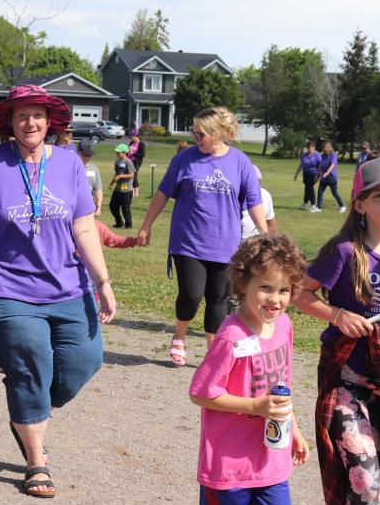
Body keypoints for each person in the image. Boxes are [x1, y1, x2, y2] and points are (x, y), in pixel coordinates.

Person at [0, 84, 117, 499]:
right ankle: (36, 461)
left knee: (83, 363)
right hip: (7, 287)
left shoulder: (69, 163)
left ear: (49, 121)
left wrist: (102, 282)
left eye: (36, 115)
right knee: (31, 365)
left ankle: (26, 409)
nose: (29, 122)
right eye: (21, 116)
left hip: (68, 285)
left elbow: (84, 227)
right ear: (9, 123)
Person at [293, 157, 380, 505]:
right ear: (359, 204)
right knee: (366, 484)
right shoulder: (342, 251)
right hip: (346, 381)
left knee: (375, 466)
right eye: (379, 196)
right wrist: (337, 315)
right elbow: (298, 294)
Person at [189, 234, 311, 505]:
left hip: (270, 461)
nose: (275, 299)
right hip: (229, 467)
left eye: (284, 290)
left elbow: (282, 385)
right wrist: (254, 407)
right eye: (266, 287)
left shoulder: (284, 326)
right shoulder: (231, 337)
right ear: (243, 284)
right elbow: (201, 392)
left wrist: (294, 430)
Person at [137, 107, 266, 367]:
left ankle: (213, 352)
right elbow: (163, 192)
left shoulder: (240, 161)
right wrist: (146, 225)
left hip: (226, 244)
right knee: (192, 294)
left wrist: (266, 234)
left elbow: (254, 200)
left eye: (202, 134)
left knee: (218, 298)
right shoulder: (184, 159)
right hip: (188, 242)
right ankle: (180, 334)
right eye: (194, 133)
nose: (196, 139)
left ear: (219, 134)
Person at [243, 165, 276, 238]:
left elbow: (270, 222)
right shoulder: (231, 196)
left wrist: (272, 243)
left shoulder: (265, 194)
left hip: (257, 242)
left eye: (256, 182)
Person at [315, 142, 346, 214]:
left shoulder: (333, 155)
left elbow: (333, 164)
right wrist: (317, 174)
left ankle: (342, 206)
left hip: (332, 177)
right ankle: (319, 208)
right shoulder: (323, 155)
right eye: (322, 148)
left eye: (324, 148)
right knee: (320, 192)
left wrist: (328, 172)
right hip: (324, 178)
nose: (322, 149)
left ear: (327, 148)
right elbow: (320, 166)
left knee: (334, 193)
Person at [109, 143, 136, 229]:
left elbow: (132, 175)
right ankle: (119, 222)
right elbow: (116, 174)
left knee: (125, 208)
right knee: (112, 206)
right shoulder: (117, 162)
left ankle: (128, 224)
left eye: (119, 152)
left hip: (127, 190)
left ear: (124, 152)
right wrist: (111, 183)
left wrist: (121, 176)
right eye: (116, 152)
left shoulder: (128, 162)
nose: (117, 154)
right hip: (118, 189)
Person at [293, 140, 322, 210]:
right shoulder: (304, 155)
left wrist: (319, 176)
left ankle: (313, 205)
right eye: (308, 147)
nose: (309, 149)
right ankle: (305, 204)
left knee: (309, 188)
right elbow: (301, 165)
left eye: (310, 147)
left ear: (314, 147)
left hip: (314, 174)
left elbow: (321, 166)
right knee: (307, 188)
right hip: (305, 175)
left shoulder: (317, 155)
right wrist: (296, 173)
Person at [77, 139, 103, 216]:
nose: (87, 158)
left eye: (89, 155)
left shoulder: (94, 169)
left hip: (89, 207)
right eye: (85, 155)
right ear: (78, 153)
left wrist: (99, 206)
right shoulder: (70, 167)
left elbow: (98, 189)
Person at [128, 132, 146, 197]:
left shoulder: (141, 144)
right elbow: (128, 152)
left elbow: (142, 154)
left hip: (136, 162)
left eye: (132, 137)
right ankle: (131, 192)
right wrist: (128, 152)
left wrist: (133, 153)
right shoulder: (131, 143)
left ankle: (136, 193)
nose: (131, 138)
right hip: (129, 161)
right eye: (130, 137)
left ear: (136, 136)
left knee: (134, 176)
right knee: (130, 176)